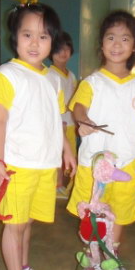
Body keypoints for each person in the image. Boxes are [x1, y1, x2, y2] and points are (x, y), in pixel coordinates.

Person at [0, 2, 77, 270]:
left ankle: (23, 269)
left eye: (43, 36)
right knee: (14, 225)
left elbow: (56, 120)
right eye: (27, 35)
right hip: (18, 165)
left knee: (27, 223)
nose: (35, 43)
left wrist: (66, 150)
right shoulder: (7, 74)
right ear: (15, 37)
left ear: (52, 41)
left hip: (44, 165)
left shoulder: (53, 79)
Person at [66, 10, 135, 270]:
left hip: (128, 163)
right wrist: (83, 120)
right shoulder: (92, 82)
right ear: (101, 44)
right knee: (93, 213)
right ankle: (92, 258)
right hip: (94, 164)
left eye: (125, 38)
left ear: (134, 46)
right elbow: (79, 108)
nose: (117, 44)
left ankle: (111, 254)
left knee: (120, 212)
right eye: (110, 37)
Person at [48, 31, 78, 199]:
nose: (63, 53)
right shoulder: (49, 75)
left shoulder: (71, 75)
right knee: (57, 157)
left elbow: (75, 98)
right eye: (58, 49)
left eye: (66, 49)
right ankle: (56, 186)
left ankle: (63, 186)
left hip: (71, 123)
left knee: (69, 155)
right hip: (58, 124)